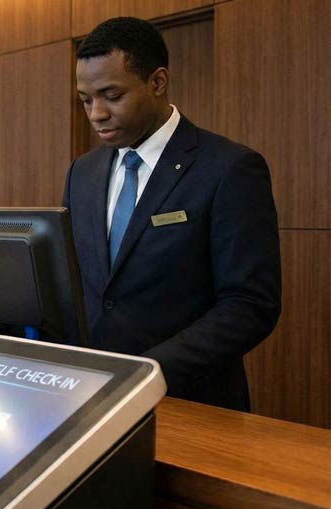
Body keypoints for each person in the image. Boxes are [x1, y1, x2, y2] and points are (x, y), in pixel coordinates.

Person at [63, 17, 281, 411]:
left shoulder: (229, 168)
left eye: (111, 95)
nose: (96, 114)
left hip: (190, 400)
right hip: (93, 399)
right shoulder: (83, 171)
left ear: (158, 82)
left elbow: (249, 305)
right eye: (85, 99)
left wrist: (149, 371)